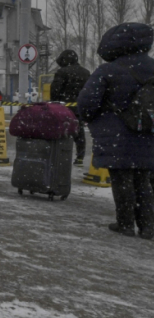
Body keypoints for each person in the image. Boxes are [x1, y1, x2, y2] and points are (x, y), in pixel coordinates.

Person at [77, 22, 154, 240]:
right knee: (145, 179)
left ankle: (126, 224)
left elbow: (87, 103)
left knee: (122, 179)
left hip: (117, 135)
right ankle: (148, 227)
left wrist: (92, 119)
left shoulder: (108, 70)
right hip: (148, 133)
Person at [50, 49, 90, 166]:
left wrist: (55, 103)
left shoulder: (62, 72)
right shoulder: (86, 72)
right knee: (79, 131)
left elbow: (55, 90)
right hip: (80, 107)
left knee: (62, 130)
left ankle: (61, 156)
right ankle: (80, 157)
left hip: (64, 108)